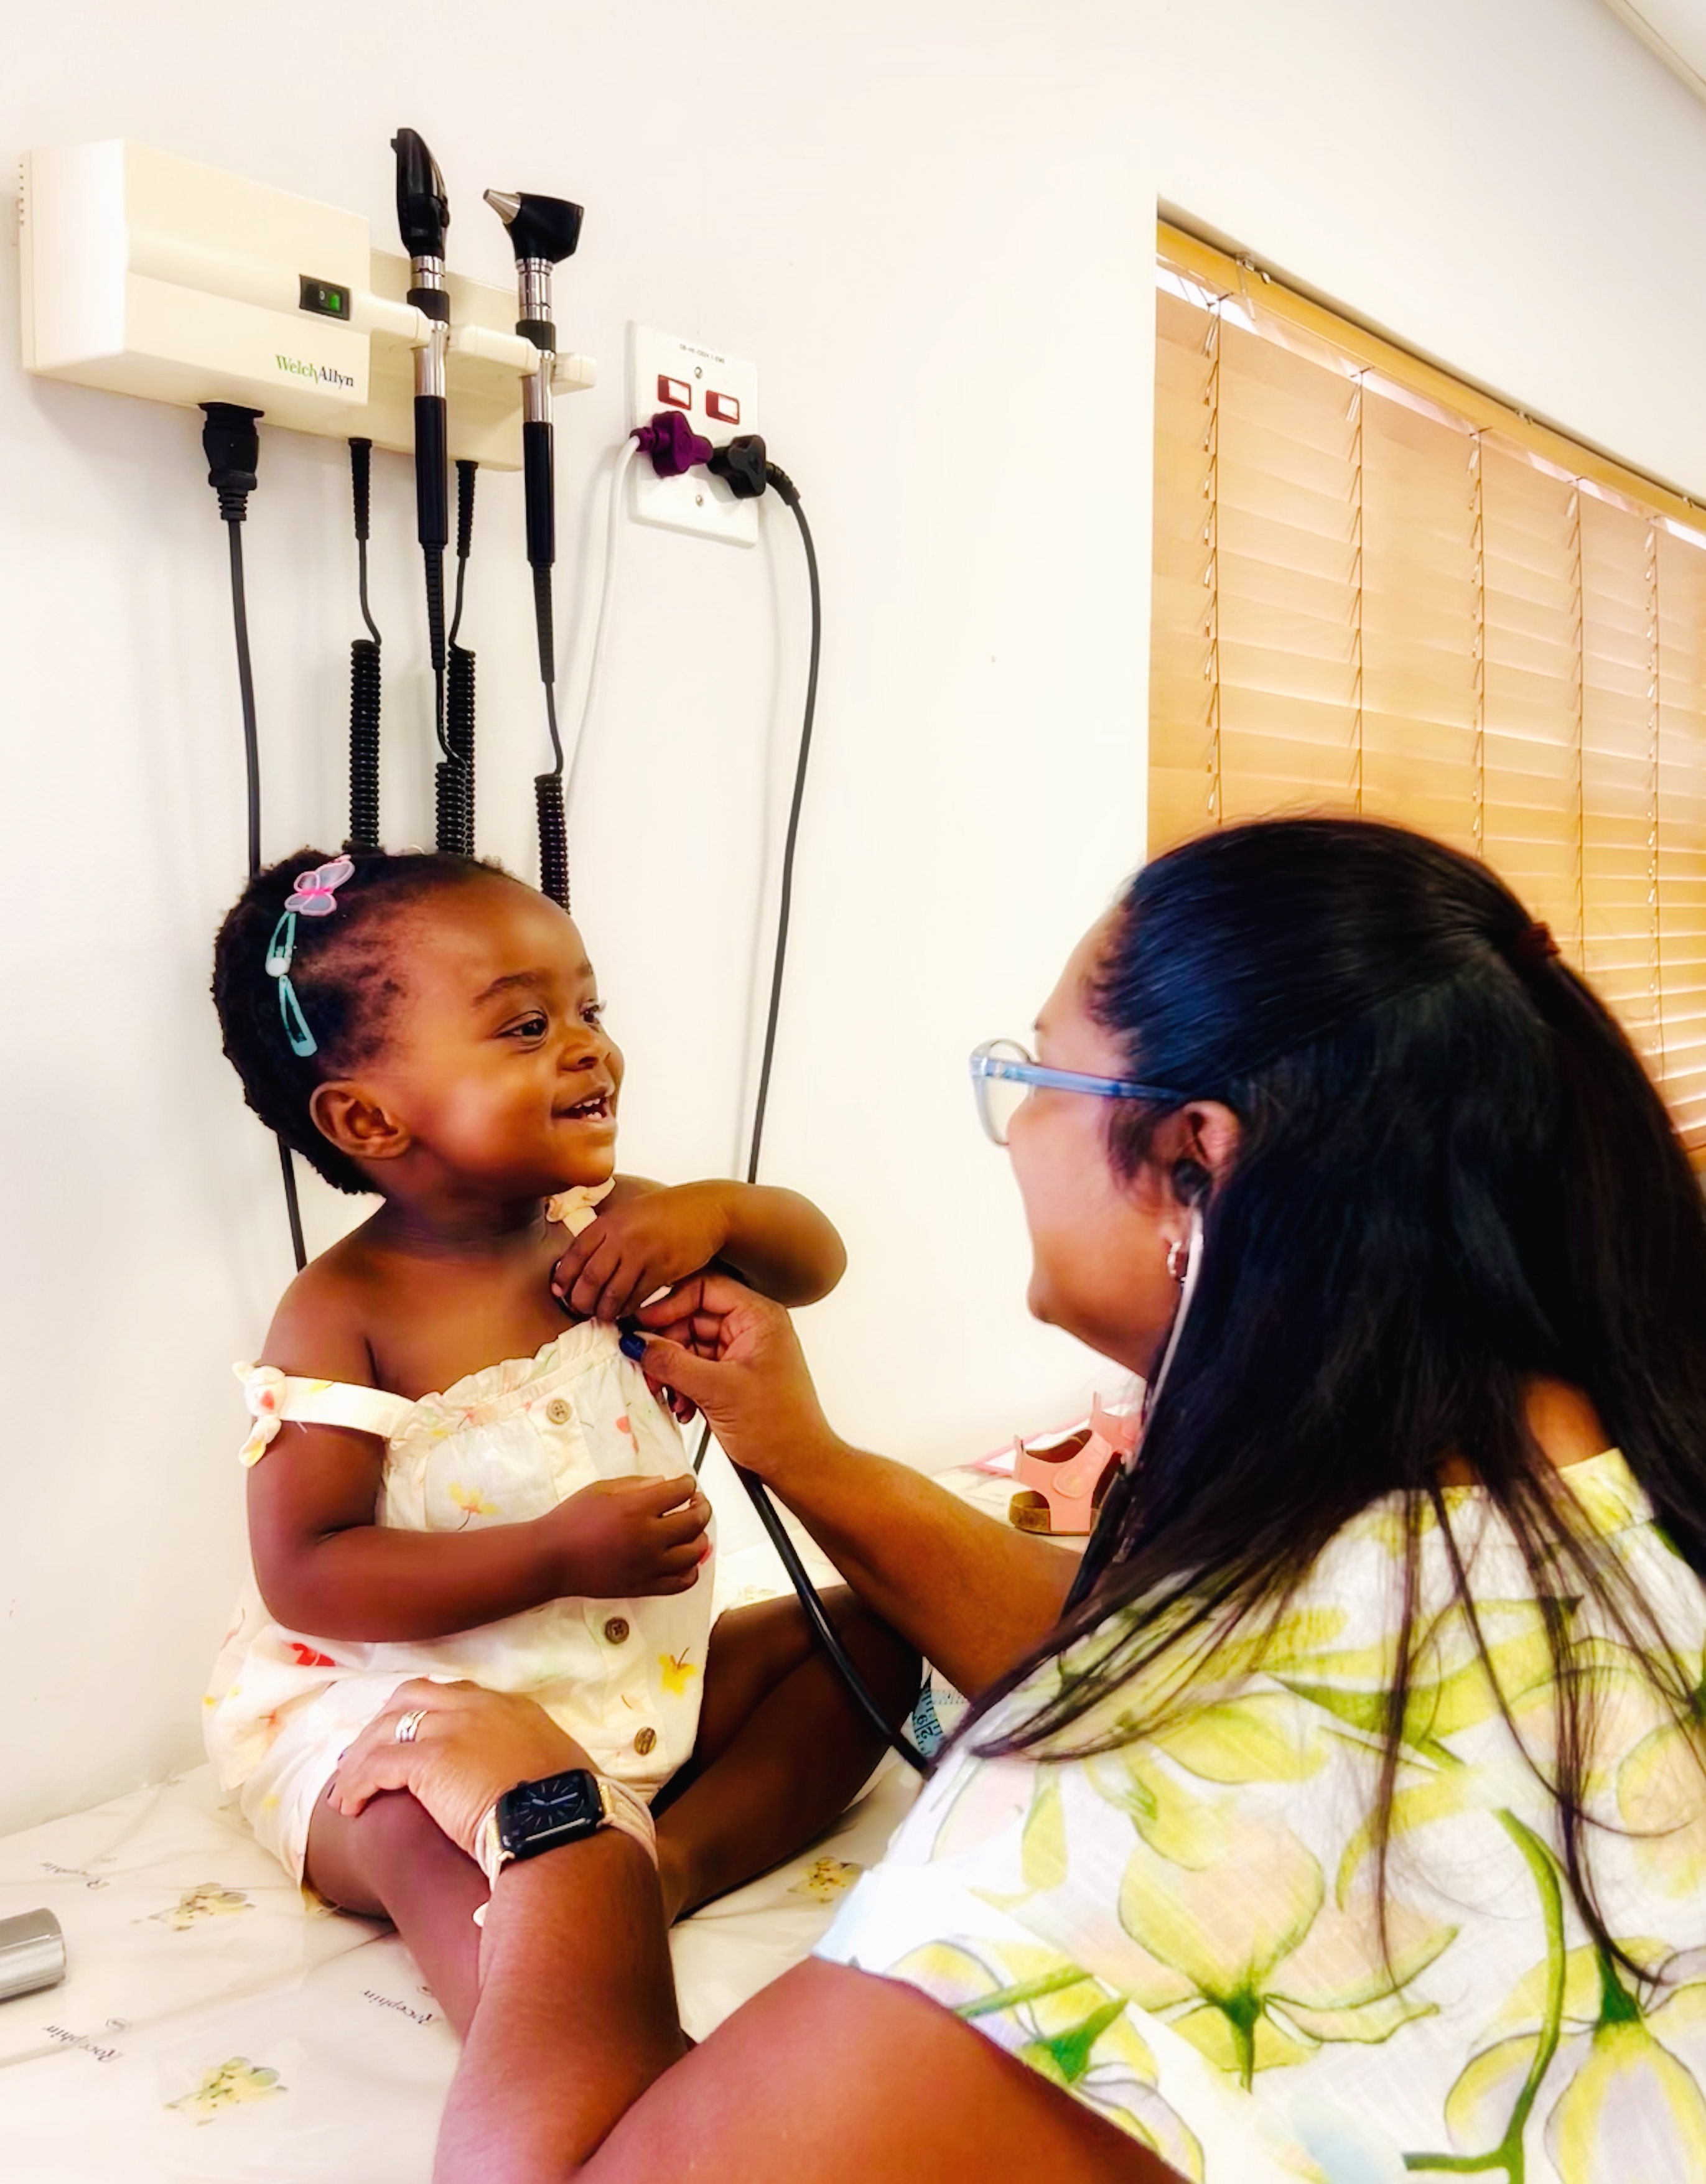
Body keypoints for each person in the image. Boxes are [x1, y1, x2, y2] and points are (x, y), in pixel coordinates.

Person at [332, 816, 1706, 2182]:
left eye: (1036, 1075)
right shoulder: (1620, 1498)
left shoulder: (1100, 1843)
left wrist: (567, 1839)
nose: (1014, 1132)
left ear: (1195, 1162)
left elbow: (1179, 1740)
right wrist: (801, 1451)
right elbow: (1167, 1662)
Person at [202, 848, 919, 2061]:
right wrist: (552, 1553)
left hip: (621, 1682)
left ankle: (659, 1871)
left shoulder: (617, 1225)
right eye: (526, 1025)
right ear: (371, 1116)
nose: (588, 1047)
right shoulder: (344, 1311)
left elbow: (816, 1263)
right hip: (404, 1712)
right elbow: (308, 1571)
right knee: (416, 1827)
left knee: (872, 1642)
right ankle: (543, 2016)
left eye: (590, 1010)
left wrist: (724, 1211)